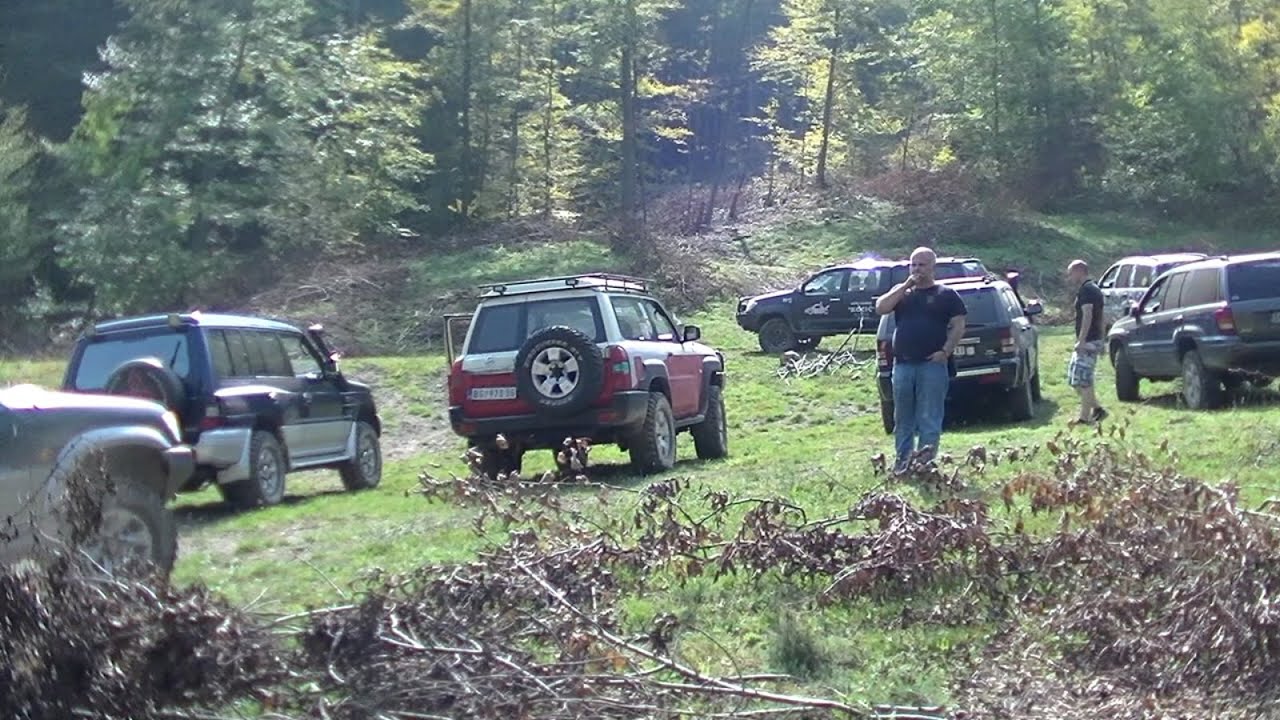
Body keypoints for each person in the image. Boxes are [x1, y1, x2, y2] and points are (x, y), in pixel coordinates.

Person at [876, 247, 967, 473]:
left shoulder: (946, 294)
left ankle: (924, 464)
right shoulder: (902, 293)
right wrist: (905, 286)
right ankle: (903, 464)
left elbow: (958, 325)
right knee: (903, 418)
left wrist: (945, 351)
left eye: (922, 265)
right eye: (913, 265)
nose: (917, 269)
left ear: (933, 267)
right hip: (903, 365)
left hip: (932, 365)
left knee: (929, 417)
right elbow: (881, 307)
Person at [1066, 259, 1107, 424]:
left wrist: (1082, 340)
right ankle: (1097, 408)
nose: (1069, 277)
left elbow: (1088, 315)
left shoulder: (1087, 291)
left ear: (1079, 271)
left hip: (1088, 341)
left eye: (1071, 273)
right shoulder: (1094, 289)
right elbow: (1103, 316)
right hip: (1094, 339)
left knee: (1082, 380)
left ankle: (1084, 417)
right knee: (1076, 379)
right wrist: (1102, 339)